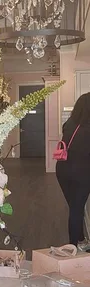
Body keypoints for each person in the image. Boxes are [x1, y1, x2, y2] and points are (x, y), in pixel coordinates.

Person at [56, 92, 90, 251]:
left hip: (63, 170)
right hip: (82, 172)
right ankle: (73, 247)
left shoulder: (70, 123)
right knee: (77, 209)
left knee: (75, 207)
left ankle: (81, 239)